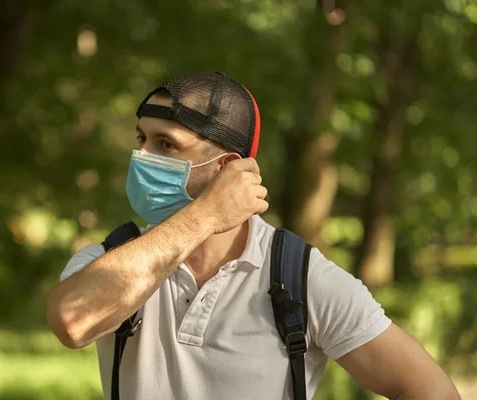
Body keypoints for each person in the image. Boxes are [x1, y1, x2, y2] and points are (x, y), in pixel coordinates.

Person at [46, 72, 460, 400]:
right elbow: (72, 323)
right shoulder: (116, 256)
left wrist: (207, 213)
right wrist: (204, 217)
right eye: (141, 139)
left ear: (227, 168)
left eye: (165, 144)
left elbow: (430, 390)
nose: (142, 157)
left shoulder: (299, 275)